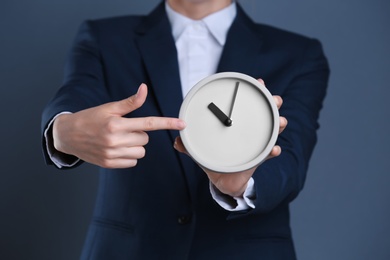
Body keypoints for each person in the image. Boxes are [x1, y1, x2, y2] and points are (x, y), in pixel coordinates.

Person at [41, 0, 329, 259]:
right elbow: (75, 96)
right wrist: (60, 132)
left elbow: (292, 156)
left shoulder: (298, 53)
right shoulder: (103, 38)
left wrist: (241, 185)